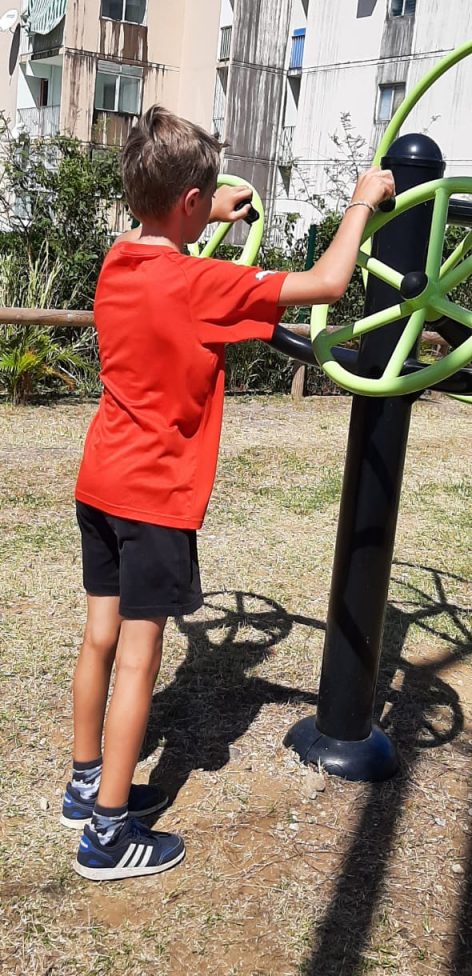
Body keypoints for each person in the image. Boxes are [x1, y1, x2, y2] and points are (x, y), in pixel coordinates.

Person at [63, 105, 394, 882]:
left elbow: (162, 222)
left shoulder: (118, 260)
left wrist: (204, 209)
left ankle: (85, 787)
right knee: (140, 656)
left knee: (100, 637)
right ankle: (108, 835)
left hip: (101, 480)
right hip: (153, 497)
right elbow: (328, 281)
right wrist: (361, 200)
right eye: (203, 198)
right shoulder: (202, 284)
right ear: (188, 201)